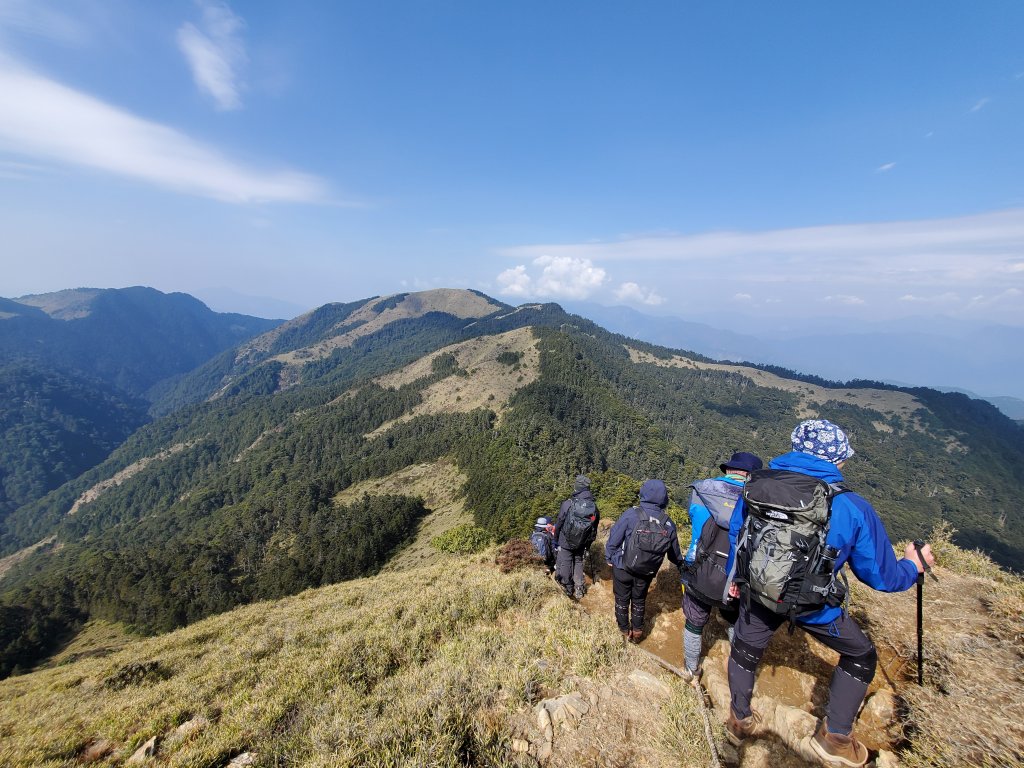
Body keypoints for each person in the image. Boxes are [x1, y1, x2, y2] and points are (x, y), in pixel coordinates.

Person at [725, 419, 935, 768]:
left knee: (745, 649)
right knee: (861, 656)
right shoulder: (850, 506)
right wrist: (914, 566)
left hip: (758, 592)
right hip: (814, 606)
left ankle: (739, 720)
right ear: (837, 459)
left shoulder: (757, 486)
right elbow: (882, 577)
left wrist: (738, 575)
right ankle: (836, 738)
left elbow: (739, 535)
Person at [680, 451, 763, 680]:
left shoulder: (703, 490)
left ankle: (691, 668)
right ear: (751, 476)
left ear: (728, 470)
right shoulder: (760, 501)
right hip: (738, 578)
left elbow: (694, 520)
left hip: (700, 570)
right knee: (735, 623)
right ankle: (738, 674)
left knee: (694, 622)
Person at [605, 479, 685, 643]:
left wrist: (610, 557)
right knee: (639, 600)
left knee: (621, 599)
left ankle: (623, 630)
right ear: (664, 499)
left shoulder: (631, 514)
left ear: (643, 494)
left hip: (623, 566)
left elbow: (614, 539)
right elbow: (674, 555)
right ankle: (637, 632)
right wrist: (683, 565)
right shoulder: (668, 522)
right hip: (646, 571)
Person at [552, 475, 599, 599]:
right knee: (578, 561)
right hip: (582, 541)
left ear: (577, 488)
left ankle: (568, 587)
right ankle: (579, 587)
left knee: (566, 561)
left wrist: (556, 539)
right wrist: (588, 545)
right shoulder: (593, 507)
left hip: (566, 540)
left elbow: (560, 522)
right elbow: (594, 527)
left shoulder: (568, 504)